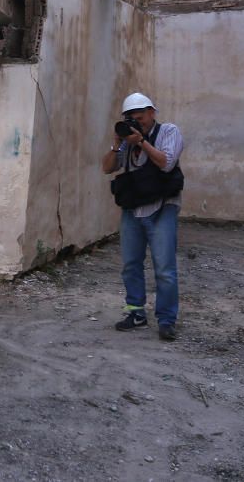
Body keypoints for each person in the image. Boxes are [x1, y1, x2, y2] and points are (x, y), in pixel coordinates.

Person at [102, 92, 185, 342]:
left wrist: (142, 142)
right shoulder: (127, 140)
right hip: (133, 209)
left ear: (152, 113)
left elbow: (167, 163)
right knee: (130, 265)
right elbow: (107, 167)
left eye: (141, 117)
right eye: (133, 119)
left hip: (163, 207)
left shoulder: (169, 132)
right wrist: (118, 143)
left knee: (165, 269)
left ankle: (167, 319)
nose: (139, 122)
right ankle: (135, 312)